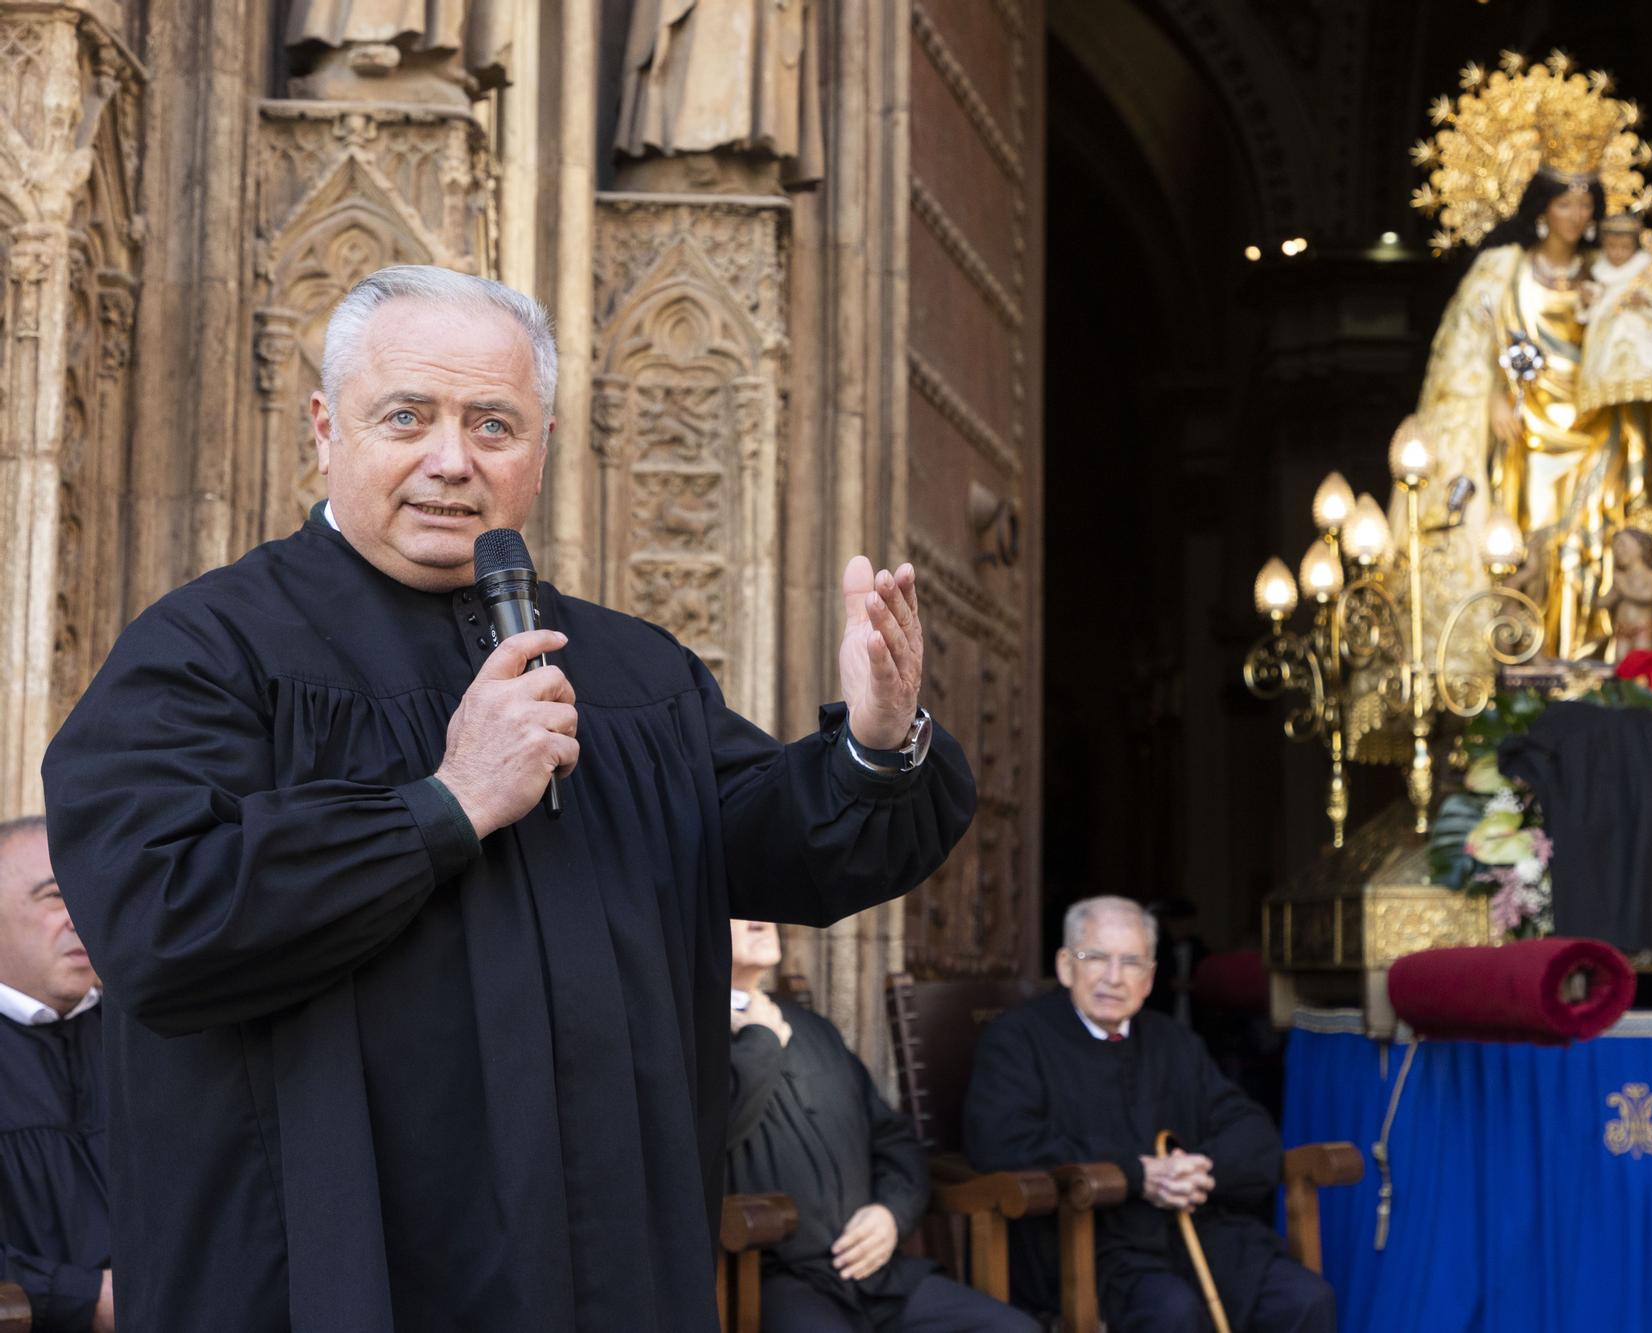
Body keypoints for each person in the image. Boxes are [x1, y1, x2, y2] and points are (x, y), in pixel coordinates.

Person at [41, 264, 976, 1333]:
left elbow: (784, 846)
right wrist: (443, 805)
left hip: (604, 1261)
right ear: (323, 427)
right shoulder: (210, 650)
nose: (450, 460)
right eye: (406, 416)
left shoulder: (629, 670)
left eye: (493, 423)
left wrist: (875, 740)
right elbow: (162, 918)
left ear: (543, 443)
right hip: (328, 1269)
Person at [1404, 54, 1652, 662]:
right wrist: (1493, 399)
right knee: (1530, 542)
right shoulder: (1500, 271)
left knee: (1604, 539)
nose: (1579, 216)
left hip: (1598, 422)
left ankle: (1596, 651)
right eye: (1566, 205)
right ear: (1540, 208)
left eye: (1587, 204)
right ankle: (1529, 652)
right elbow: (1469, 356)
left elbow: (1646, 340)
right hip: (1527, 431)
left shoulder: (1611, 272)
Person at [963, 897, 1332, 1332]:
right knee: (1170, 1312)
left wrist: (1201, 1169)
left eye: (1131, 962)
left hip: (1187, 1231)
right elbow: (1001, 1141)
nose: (1114, 978)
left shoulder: (1174, 1042)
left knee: (1303, 1298)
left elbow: (1250, 1130)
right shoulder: (1018, 1039)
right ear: (1065, 966)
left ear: (1150, 977)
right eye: (1096, 958)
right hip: (1083, 1240)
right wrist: (1137, 1174)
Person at [723, 920, 1035, 1332]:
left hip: (880, 1277)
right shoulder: (682, 1032)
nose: (757, 917)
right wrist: (761, 1041)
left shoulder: (813, 1029)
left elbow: (893, 1138)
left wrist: (892, 1214)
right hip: (771, 1279)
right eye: (734, 908)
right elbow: (710, 1129)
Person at [0, 817, 113, 1332]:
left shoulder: (159, 1040)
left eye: (87, 891)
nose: (79, 916)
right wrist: (85, 1299)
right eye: (53, 896)